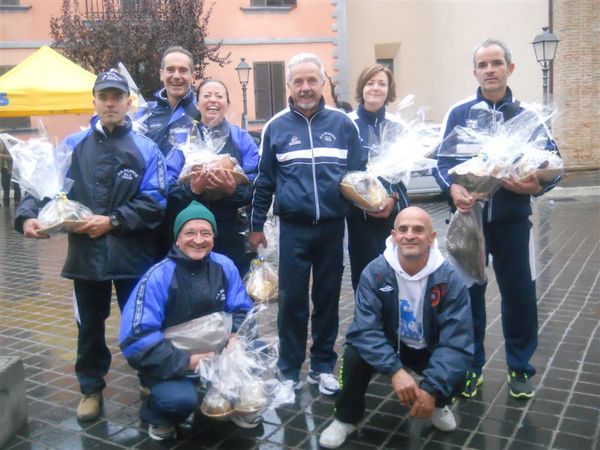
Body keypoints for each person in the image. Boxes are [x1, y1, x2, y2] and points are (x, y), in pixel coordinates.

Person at [15, 70, 167, 422]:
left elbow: (155, 201)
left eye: (117, 96)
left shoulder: (146, 148)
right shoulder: (72, 145)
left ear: (129, 102)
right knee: (89, 326)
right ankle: (90, 389)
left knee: (141, 321)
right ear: (94, 101)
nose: (111, 102)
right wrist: (26, 218)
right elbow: (43, 187)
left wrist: (112, 220)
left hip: (133, 256)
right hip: (86, 256)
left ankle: (148, 377)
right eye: (104, 96)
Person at [434, 38, 561, 400]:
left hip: (512, 223)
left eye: (496, 63)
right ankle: (470, 366)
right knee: (466, 298)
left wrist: (534, 186)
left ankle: (520, 366)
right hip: (468, 222)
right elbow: (441, 164)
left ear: (510, 68)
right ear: (475, 71)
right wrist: (452, 190)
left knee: (520, 296)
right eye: (483, 65)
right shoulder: (459, 114)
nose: (490, 70)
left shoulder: (529, 117)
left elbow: (555, 165)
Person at [248, 52, 365, 395]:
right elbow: (263, 182)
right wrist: (256, 227)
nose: (305, 87)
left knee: (328, 299)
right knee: (292, 302)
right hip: (294, 229)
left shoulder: (344, 125)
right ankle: (287, 373)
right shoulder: (276, 127)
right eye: (298, 81)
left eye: (311, 80)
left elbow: (359, 177)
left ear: (324, 83)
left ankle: (323, 366)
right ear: (289, 86)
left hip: (332, 227)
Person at [319, 207, 473, 449]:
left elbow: (457, 340)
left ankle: (438, 404)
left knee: (458, 366)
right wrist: (395, 371)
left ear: (432, 238)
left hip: (428, 347)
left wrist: (431, 389)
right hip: (391, 346)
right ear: (393, 235)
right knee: (354, 353)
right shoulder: (376, 272)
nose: (409, 235)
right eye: (403, 229)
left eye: (418, 230)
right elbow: (364, 330)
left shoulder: (449, 279)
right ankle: (345, 417)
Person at [119, 201, 254, 441]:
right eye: (190, 232)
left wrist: (236, 335)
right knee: (178, 402)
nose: (198, 240)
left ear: (214, 236)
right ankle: (157, 412)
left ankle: (235, 403)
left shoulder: (225, 266)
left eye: (206, 233)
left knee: (258, 355)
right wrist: (186, 362)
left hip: (219, 355)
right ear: (177, 239)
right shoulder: (158, 276)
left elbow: (242, 309)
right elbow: (136, 338)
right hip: (175, 362)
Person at [169, 79, 259, 276]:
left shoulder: (241, 138)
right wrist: (192, 190)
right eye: (207, 96)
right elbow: (168, 186)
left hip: (233, 234)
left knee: (234, 289)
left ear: (227, 103)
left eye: (219, 96)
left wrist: (233, 190)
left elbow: (257, 185)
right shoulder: (184, 139)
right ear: (197, 103)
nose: (213, 100)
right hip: (192, 235)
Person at [346, 64, 410, 291]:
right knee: (364, 278)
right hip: (359, 219)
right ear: (362, 88)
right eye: (370, 83)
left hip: (391, 215)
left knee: (396, 277)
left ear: (389, 89)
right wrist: (362, 201)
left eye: (381, 84)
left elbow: (404, 175)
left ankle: (394, 325)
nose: (375, 88)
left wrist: (392, 200)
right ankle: (366, 324)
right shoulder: (346, 123)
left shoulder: (399, 127)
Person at [144, 46, 197, 157]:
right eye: (170, 70)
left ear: (193, 77)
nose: (176, 76)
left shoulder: (202, 111)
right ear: (161, 74)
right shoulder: (145, 113)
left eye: (183, 70)